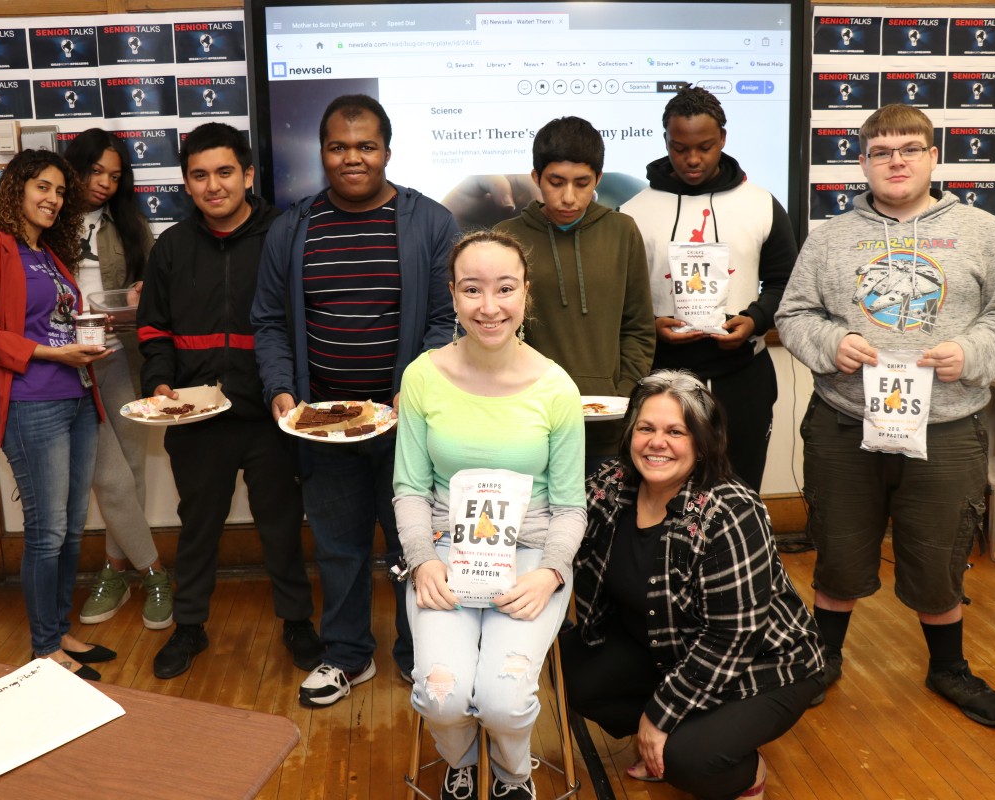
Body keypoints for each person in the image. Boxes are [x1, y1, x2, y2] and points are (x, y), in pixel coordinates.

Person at [775, 104, 995, 726]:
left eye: (909, 149)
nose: (896, 161)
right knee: (837, 547)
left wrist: (970, 352)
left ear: (932, 157)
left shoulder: (980, 231)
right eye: (882, 150)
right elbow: (793, 315)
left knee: (938, 553)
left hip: (946, 427)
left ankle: (949, 668)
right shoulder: (830, 237)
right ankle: (824, 659)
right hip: (845, 422)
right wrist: (828, 345)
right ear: (862, 162)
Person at [253, 93, 460, 707]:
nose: (352, 158)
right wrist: (282, 390)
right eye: (339, 147)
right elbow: (267, 321)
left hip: (406, 424)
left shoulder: (430, 222)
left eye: (365, 146)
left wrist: (413, 389)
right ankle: (346, 655)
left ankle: (419, 654)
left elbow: (447, 318)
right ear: (322, 153)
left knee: (411, 546)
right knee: (339, 546)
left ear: (387, 152)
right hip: (321, 425)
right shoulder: (291, 228)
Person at [561, 370, 824, 799]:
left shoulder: (730, 510)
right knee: (572, 668)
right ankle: (684, 729)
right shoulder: (612, 485)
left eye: (675, 432)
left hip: (766, 662)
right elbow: (551, 524)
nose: (656, 442)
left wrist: (660, 714)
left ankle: (743, 770)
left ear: (701, 444)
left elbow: (733, 636)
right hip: (671, 650)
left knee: (689, 760)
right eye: (645, 428)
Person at [393, 230, 586, 800]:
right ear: (452, 295)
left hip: (531, 561)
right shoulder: (423, 376)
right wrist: (423, 560)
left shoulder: (556, 389)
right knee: (442, 694)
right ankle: (461, 759)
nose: (489, 306)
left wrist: (551, 572)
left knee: (503, 699)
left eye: (505, 288)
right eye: (472, 290)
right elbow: (408, 486)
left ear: (526, 292)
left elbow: (571, 505)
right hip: (445, 556)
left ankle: (511, 774)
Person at [136, 122, 321, 679]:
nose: (213, 185)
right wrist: (160, 384)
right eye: (199, 175)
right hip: (196, 419)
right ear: (186, 185)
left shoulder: (285, 235)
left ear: (247, 175)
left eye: (223, 172)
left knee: (282, 526)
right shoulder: (170, 248)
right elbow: (153, 330)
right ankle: (189, 626)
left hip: (271, 415)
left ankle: (296, 622)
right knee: (197, 527)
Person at [0, 149, 116, 679]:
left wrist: (89, 332)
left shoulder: (47, 254)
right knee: (46, 532)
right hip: (31, 404)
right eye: (42, 187)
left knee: (71, 529)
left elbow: (50, 322)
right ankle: (45, 649)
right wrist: (52, 354)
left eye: (60, 192)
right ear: (17, 189)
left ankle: (60, 630)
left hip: (76, 397)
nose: (53, 199)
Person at [621, 87, 797, 491]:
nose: (693, 159)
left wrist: (753, 321)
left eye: (705, 146)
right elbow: (620, 300)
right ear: (665, 141)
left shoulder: (761, 204)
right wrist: (650, 325)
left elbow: (785, 281)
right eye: (680, 148)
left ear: (723, 139)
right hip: (660, 373)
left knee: (739, 487)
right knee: (660, 490)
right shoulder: (633, 212)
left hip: (743, 374)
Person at [495, 116, 654, 469]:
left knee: (604, 522)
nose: (569, 196)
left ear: (598, 178)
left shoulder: (622, 231)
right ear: (536, 178)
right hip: (530, 421)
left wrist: (624, 393)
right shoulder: (506, 237)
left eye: (582, 183)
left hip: (608, 422)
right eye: (556, 182)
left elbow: (638, 327)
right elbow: (496, 331)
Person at [62, 128, 173, 631]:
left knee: (129, 467)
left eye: (115, 175)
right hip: (65, 362)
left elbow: (151, 291)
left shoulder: (127, 226)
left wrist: (140, 292)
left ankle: (113, 568)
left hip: (119, 356)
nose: (105, 183)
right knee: (106, 475)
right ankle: (155, 572)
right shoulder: (47, 221)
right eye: (95, 172)